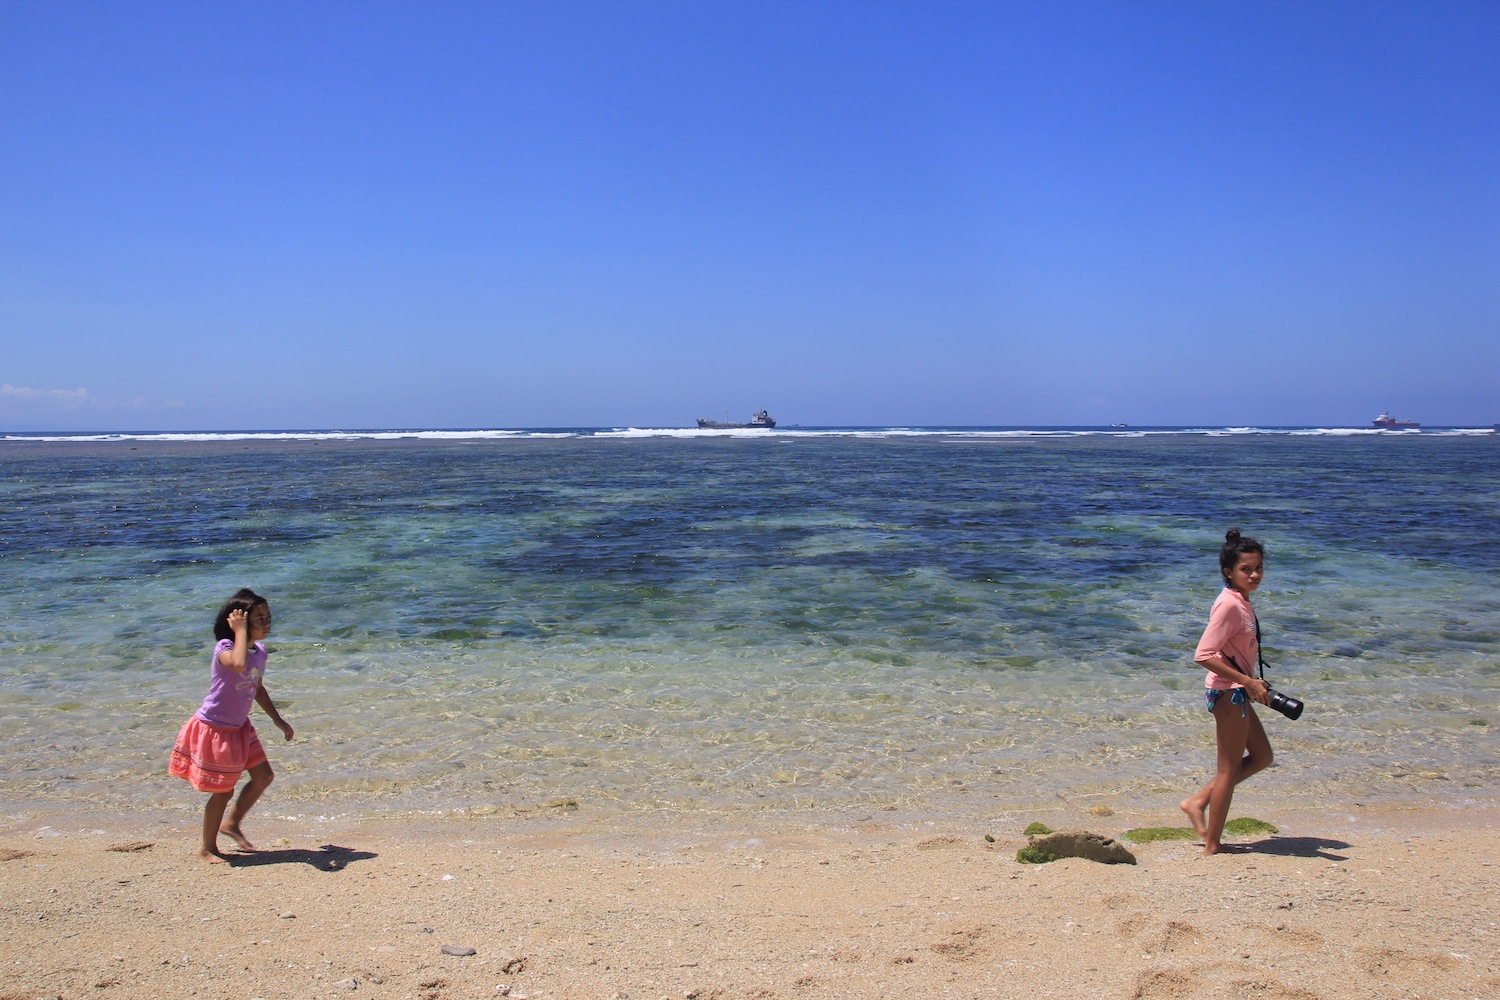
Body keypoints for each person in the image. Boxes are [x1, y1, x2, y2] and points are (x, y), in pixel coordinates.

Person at [168, 589, 294, 861]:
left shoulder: (260, 652)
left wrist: (277, 719)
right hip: (215, 728)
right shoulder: (224, 650)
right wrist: (237, 632)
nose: (267, 623)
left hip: (240, 727)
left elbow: (256, 687)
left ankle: (232, 823)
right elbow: (238, 664)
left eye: (268, 617)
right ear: (239, 623)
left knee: (263, 776)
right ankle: (207, 847)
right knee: (223, 791)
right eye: (259, 619)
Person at [1180, 530, 1274, 856]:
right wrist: (1247, 682)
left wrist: (1250, 682)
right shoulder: (1229, 606)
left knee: (1263, 757)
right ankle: (1212, 844)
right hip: (1228, 695)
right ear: (1228, 572)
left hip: (1238, 692)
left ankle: (1198, 802)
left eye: (1259, 568)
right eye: (1246, 569)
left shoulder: (1241, 600)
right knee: (1227, 770)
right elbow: (1203, 654)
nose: (1255, 575)